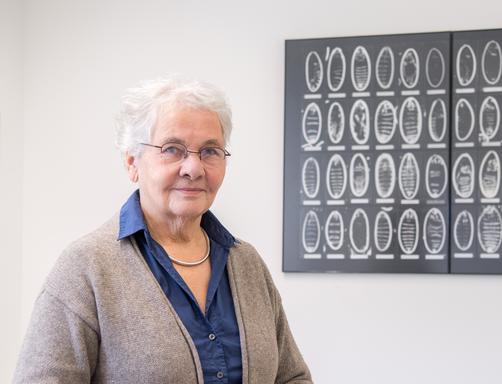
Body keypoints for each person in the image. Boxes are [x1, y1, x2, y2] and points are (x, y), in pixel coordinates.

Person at [14, 76, 313, 383]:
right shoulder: (86, 267)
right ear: (132, 163)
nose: (194, 168)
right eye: (173, 149)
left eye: (210, 151)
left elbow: (293, 377)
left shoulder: (247, 263)